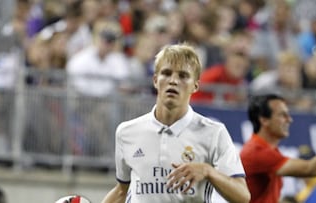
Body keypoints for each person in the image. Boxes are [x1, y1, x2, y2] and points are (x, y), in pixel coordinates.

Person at [101, 43, 250, 203]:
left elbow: (242, 196)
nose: (173, 81)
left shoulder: (214, 133)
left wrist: (208, 171)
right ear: (155, 80)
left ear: (195, 86)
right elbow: (121, 191)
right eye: (166, 73)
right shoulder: (127, 132)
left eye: (183, 76)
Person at [240, 93, 316, 203]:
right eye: (282, 115)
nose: (289, 120)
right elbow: (310, 168)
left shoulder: (268, 151)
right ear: (264, 120)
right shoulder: (257, 152)